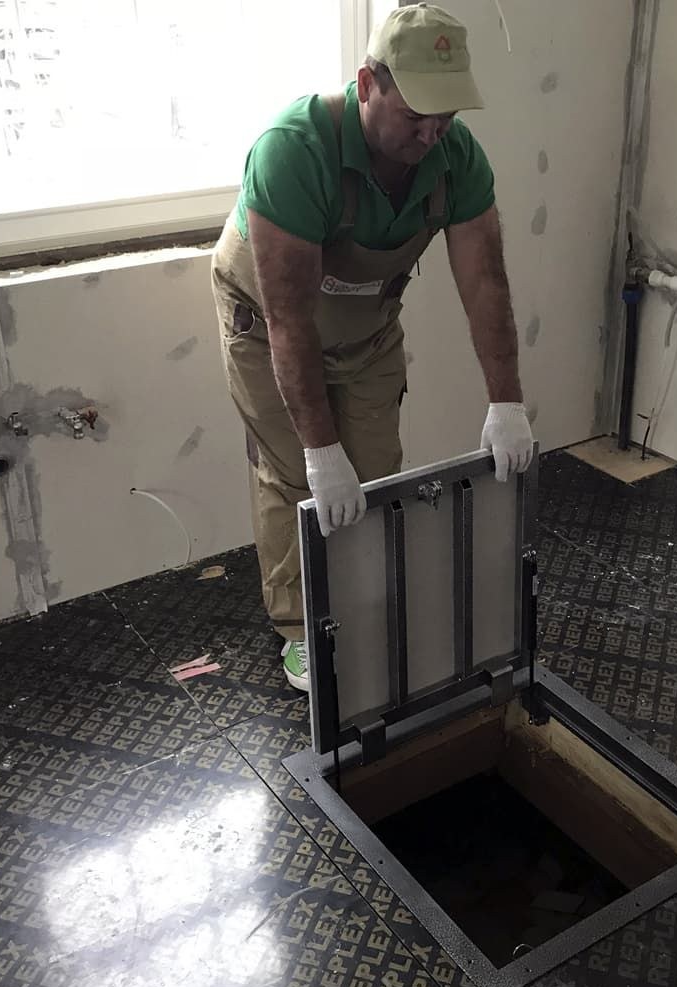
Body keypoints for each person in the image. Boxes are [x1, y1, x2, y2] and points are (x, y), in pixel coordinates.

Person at [210, 3, 533, 692]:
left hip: (366, 328)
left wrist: (507, 402)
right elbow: (289, 320)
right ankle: (303, 632)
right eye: (415, 113)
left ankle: (362, 614)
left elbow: (486, 283)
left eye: (446, 114)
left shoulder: (455, 159)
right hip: (267, 325)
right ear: (367, 84)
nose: (432, 131)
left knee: (377, 476)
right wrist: (320, 450)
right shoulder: (295, 152)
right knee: (299, 479)